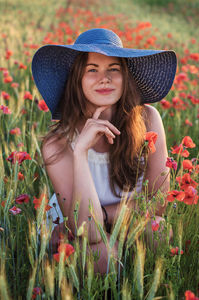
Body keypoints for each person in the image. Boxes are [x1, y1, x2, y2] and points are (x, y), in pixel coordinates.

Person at [32, 28, 177, 274]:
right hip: (77, 228)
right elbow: (86, 229)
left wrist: (106, 217)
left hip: (124, 220)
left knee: (159, 230)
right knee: (101, 254)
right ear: (76, 79)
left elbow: (158, 204)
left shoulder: (148, 120)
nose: (105, 78)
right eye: (92, 70)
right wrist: (80, 152)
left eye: (114, 69)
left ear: (126, 77)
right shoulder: (58, 142)